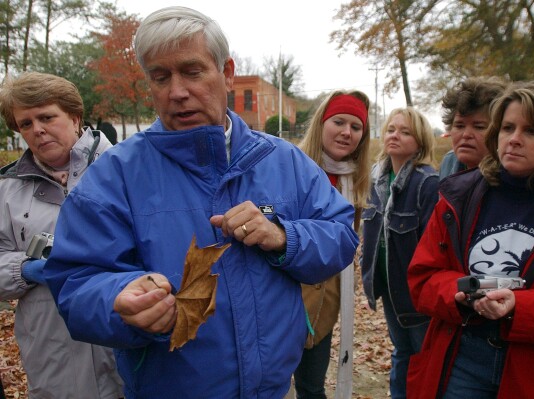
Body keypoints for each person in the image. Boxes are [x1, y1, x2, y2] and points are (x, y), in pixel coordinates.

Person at [44, 6, 359, 399]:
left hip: (273, 389)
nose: (177, 91)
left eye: (192, 72)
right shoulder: (115, 176)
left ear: (227, 73)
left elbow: (341, 235)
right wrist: (118, 298)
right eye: (161, 77)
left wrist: (284, 236)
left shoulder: (284, 161)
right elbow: (74, 283)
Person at [406, 80, 534, 399]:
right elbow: (422, 278)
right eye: (508, 128)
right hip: (462, 358)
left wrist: (518, 307)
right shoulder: (459, 194)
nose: (515, 140)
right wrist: (459, 294)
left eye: (532, 131)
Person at [0, 72, 123, 398]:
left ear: (74, 116)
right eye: (25, 123)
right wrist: (23, 269)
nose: (37, 129)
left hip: (124, 347)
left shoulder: (123, 169)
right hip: (52, 359)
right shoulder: (6, 191)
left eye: (46, 117)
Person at [294, 90, 371, 398]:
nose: (346, 132)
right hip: (283, 297)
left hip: (325, 304)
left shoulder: (357, 181)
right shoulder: (291, 167)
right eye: (338, 122)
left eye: (356, 127)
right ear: (322, 124)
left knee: (311, 388)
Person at [361, 107, 438, 399]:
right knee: (402, 352)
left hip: (416, 295)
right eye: (392, 129)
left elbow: (433, 247)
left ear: (420, 141)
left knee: (423, 356)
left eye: (405, 132)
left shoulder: (427, 183)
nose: (395, 135)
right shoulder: (376, 179)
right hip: (390, 290)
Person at [438, 76, 507, 180]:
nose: (466, 135)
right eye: (459, 126)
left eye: (479, 127)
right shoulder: (448, 163)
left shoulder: (511, 173)